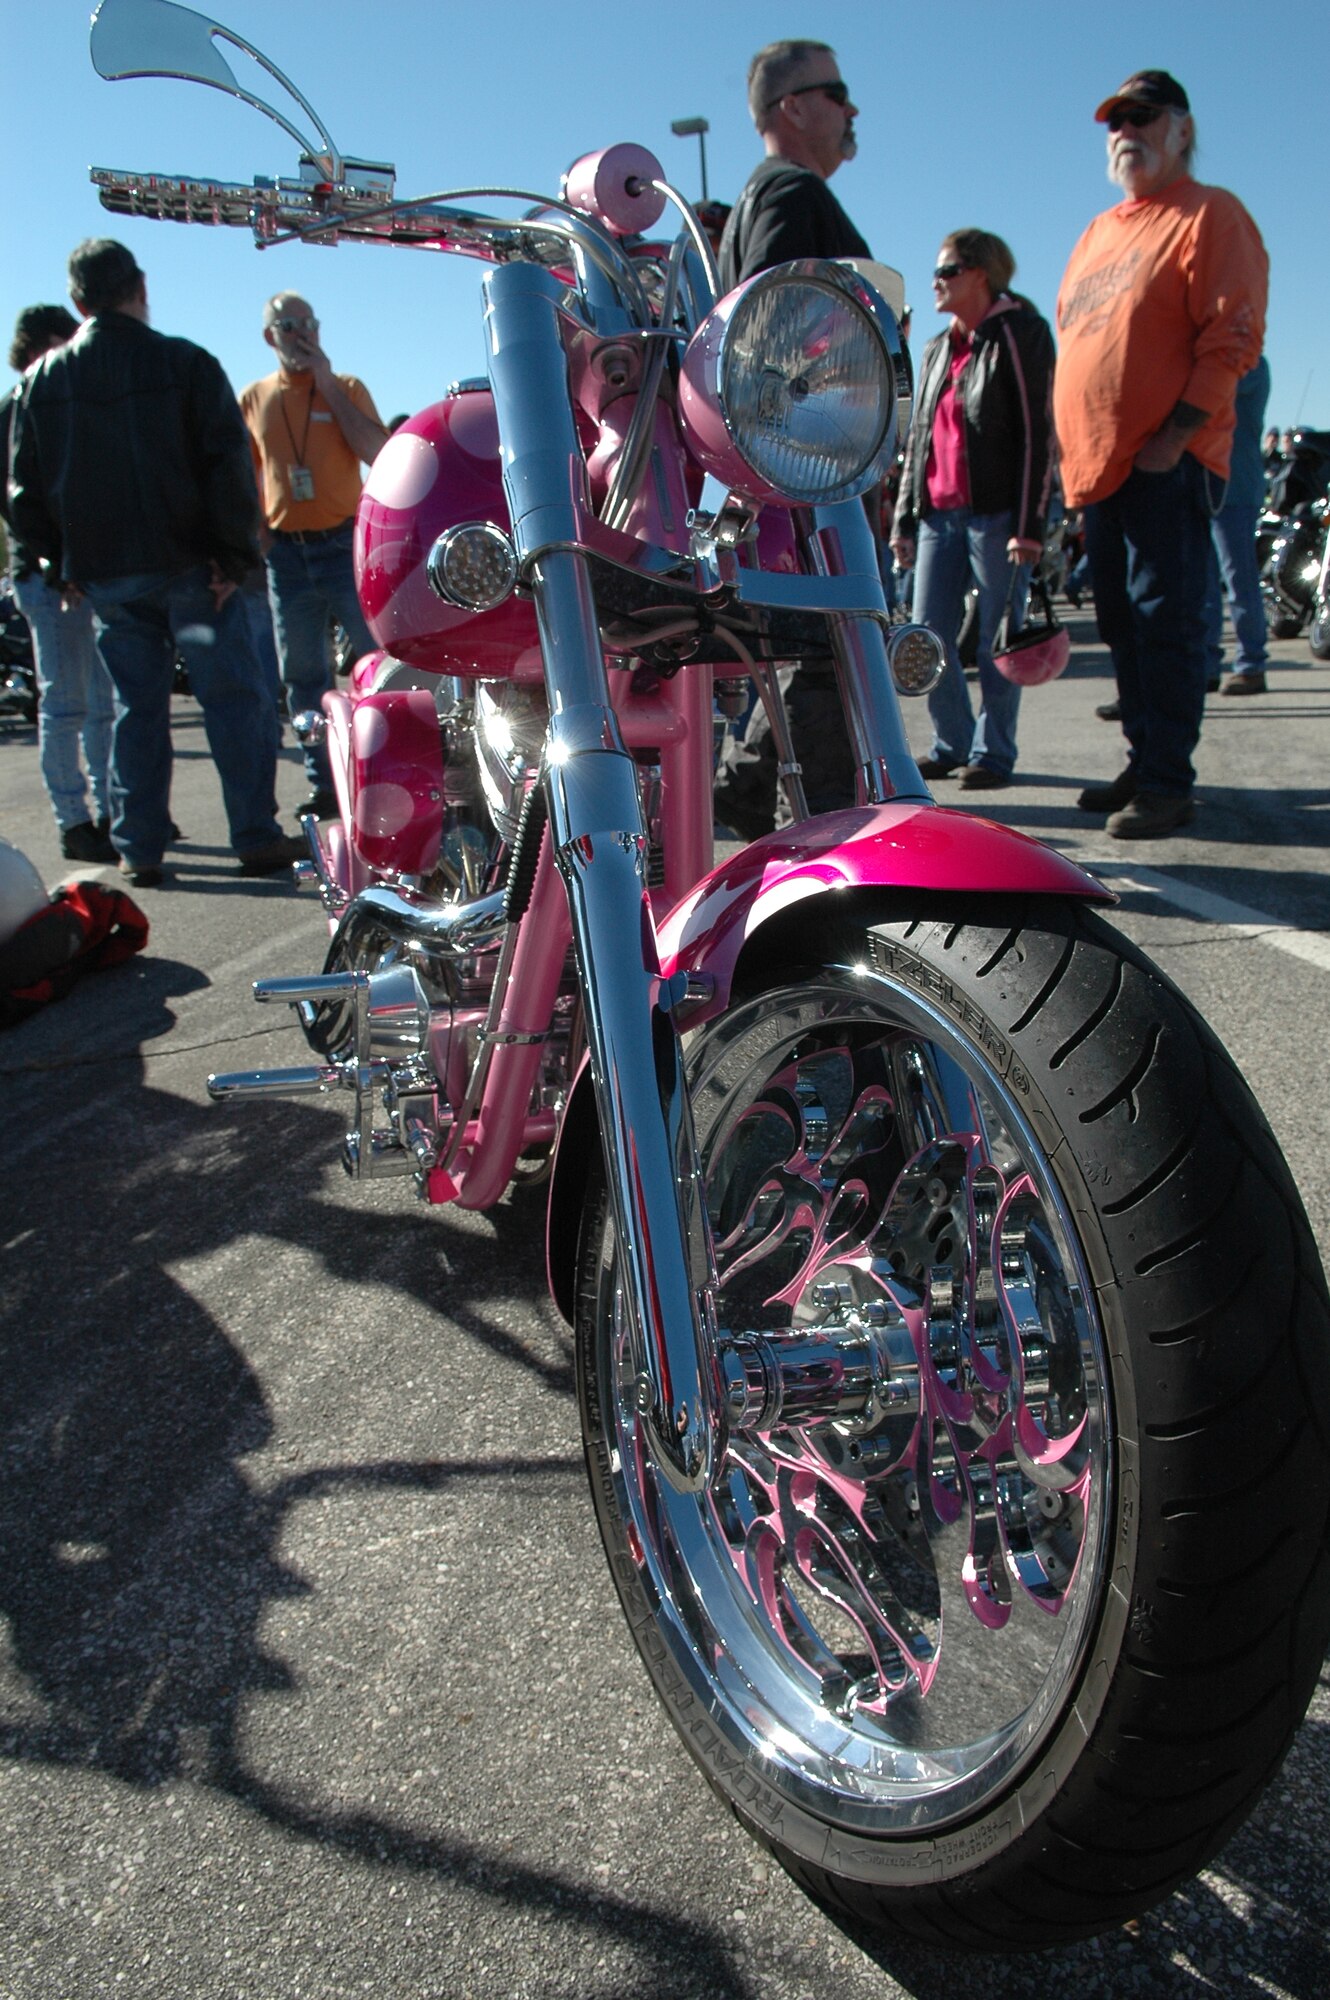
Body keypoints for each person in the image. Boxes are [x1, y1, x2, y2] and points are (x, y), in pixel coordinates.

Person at [8, 241, 301, 889]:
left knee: (136, 709)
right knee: (233, 700)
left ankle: (138, 844)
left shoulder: (44, 382)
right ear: (140, 286)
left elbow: (23, 491)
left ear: (77, 302)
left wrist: (59, 562)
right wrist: (232, 556)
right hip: (192, 571)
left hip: (110, 579)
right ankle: (253, 832)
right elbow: (228, 468)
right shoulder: (186, 363)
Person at [1055, 72, 1268, 839]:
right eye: (1115, 121)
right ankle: (1145, 758)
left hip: (1163, 463)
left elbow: (1232, 338)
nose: (1125, 132)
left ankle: (1170, 782)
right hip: (1099, 470)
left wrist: (1173, 437)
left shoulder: (1211, 215)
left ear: (1181, 127)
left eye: (1142, 118)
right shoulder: (1098, 231)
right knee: (1119, 621)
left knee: (1164, 623)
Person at [712, 39, 868, 838]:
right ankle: (827, 831)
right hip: (807, 469)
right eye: (837, 93)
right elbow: (775, 327)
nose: (852, 111)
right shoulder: (789, 192)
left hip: (786, 468)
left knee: (817, 642)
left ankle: (747, 787)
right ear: (792, 107)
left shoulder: (765, 196)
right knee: (832, 647)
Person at [890, 231, 1054, 789]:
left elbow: (1037, 434)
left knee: (996, 639)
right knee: (925, 632)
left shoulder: (1020, 333)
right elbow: (919, 439)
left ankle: (993, 753)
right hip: (938, 515)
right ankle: (952, 740)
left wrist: (1030, 526)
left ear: (982, 274)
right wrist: (904, 519)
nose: (937, 281)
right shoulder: (937, 348)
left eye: (949, 270)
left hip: (998, 516)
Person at [240, 294, 386, 817]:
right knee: (303, 673)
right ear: (269, 337)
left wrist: (325, 384)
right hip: (287, 556)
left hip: (344, 545)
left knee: (377, 662)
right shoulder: (254, 397)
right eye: (287, 326)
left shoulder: (344, 388)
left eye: (308, 324)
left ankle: (384, 769)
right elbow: (249, 475)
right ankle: (325, 784)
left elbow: (376, 452)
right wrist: (258, 536)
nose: (300, 335)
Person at [3, 305, 116, 863]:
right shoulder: (18, 404)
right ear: (36, 347)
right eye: (60, 343)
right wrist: (58, 563)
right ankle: (73, 821)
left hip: (78, 575)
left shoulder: (56, 403)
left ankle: (112, 813)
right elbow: (20, 503)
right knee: (66, 703)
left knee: (99, 702)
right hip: (48, 580)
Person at [1206, 356, 1271, 695]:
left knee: (1239, 580)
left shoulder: (1249, 364)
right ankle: (1207, 664)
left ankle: (1251, 664)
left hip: (1237, 488)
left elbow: (1213, 390)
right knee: (1204, 585)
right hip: (1208, 486)